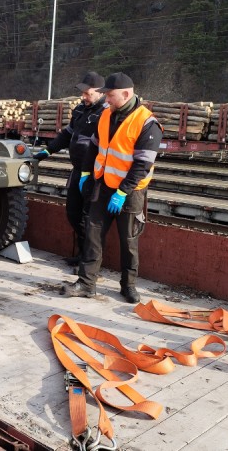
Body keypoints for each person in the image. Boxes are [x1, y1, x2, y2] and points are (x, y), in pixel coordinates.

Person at [61, 72, 162, 303]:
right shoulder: (106, 115)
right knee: (93, 235)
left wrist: (123, 191)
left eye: (110, 95)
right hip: (104, 186)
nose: (106, 100)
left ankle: (129, 285)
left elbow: (142, 165)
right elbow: (94, 148)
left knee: (128, 241)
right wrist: (86, 173)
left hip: (130, 192)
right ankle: (86, 284)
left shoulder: (147, 124)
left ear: (126, 94)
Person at [33, 71, 108, 265]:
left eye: (87, 93)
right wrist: (47, 152)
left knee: (89, 217)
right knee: (73, 213)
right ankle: (82, 255)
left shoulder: (106, 113)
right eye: (82, 93)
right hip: (77, 171)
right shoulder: (80, 110)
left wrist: (89, 173)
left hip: (94, 174)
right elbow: (67, 134)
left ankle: (90, 262)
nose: (83, 97)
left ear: (100, 92)